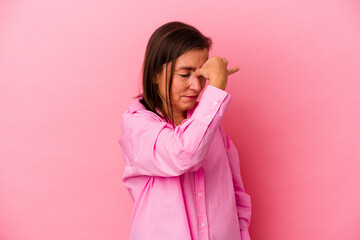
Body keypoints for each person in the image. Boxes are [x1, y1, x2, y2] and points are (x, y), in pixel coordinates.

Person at [118, 21, 251, 240]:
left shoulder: (209, 124)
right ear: (155, 75)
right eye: (185, 74)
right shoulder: (137, 126)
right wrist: (215, 90)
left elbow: (236, 194)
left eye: (202, 76)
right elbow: (184, 154)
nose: (197, 87)